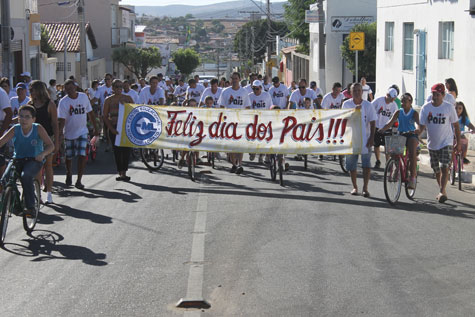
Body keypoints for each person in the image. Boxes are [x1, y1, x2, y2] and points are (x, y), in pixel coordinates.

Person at [0, 105, 54, 216]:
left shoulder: (37, 128)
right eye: (21, 116)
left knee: (26, 176)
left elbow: (50, 145)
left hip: (34, 160)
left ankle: (30, 207)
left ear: (33, 119)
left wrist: (42, 154)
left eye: (27, 117)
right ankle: (15, 202)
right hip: (18, 159)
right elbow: (2, 141)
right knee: (5, 178)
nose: (23, 119)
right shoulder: (15, 128)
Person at [419, 83, 461, 203]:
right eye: (433, 94)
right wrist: (416, 135)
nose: (435, 97)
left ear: (443, 95)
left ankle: (442, 191)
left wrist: (458, 142)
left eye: (438, 94)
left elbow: (456, 126)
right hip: (432, 144)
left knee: (444, 167)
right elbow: (421, 126)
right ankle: (442, 189)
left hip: (446, 142)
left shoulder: (448, 107)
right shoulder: (426, 108)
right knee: (436, 169)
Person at [58, 79, 100, 189]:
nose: (70, 91)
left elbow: (90, 113)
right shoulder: (63, 102)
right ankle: (69, 173)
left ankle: (79, 180)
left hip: (82, 131)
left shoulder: (83, 97)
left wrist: (96, 128)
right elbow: (61, 120)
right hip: (69, 132)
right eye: (67, 89)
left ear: (75, 87)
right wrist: (59, 134)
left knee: (82, 155)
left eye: (71, 88)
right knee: (69, 156)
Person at [342, 83, 377, 197]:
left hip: (365, 139)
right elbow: (343, 121)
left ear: (362, 92)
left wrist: (372, 137)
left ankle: (365, 188)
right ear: (351, 92)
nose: (357, 92)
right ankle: (355, 186)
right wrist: (354, 111)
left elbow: (372, 122)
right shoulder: (346, 104)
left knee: (366, 164)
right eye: (354, 91)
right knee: (352, 165)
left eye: (359, 90)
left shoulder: (368, 105)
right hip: (351, 139)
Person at [379, 93, 420, 189]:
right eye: (401, 101)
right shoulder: (398, 112)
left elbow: (419, 124)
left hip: (411, 134)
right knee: (394, 153)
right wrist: (382, 129)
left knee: (412, 153)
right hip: (401, 134)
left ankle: (412, 177)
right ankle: (396, 168)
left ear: (410, 102)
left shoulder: (414, 113)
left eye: (405, 101)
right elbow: (390, 123)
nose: (402, 103)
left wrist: (418, 129)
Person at [28, 80, 59, 204]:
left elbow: (55, 124)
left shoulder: (50, 104)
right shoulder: (30, 104)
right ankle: (38, 194)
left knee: (48, 166)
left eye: (32, 90)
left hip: (47, 138)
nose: (31, 92)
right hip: (34, 139)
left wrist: (57, 142)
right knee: (36, 167)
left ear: (39, 90)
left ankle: (49, 194)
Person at [218, 72, 250, 174]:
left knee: (240, 144)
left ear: (239, 79)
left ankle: (240, 164)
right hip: (229, 123)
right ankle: (234, 164)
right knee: (231, 145)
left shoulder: (244, 92)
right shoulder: (225, 92)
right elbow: (222, 107)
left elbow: (248, 107)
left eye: (236, 78)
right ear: (230, 79)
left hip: (240, 122)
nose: (235, 80)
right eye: (233, 78)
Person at [103, 79, 134, 181]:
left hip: (126, 128)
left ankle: (124, 172)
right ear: (112, 88)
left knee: (126, 151)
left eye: (121, 86)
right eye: (117, 86)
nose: (119, 88)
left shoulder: (128, 98)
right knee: (117, 151)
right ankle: (120, 172)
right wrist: (111, 129)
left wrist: (126, 105)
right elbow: (105, 116)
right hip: (114, 127)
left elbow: (134, 111)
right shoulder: (108, 100)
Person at [372, 88, 399, 169]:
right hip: (377, 126)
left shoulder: (394, 105)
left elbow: (396, 117)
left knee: (388, 147)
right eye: (391, 98)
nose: (393, 100)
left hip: (387, 127)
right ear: (387, 95)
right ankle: (378, 160)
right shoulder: (378, 101)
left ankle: (388, 163)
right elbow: (370, 108)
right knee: (376, 145)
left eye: (394, 98)